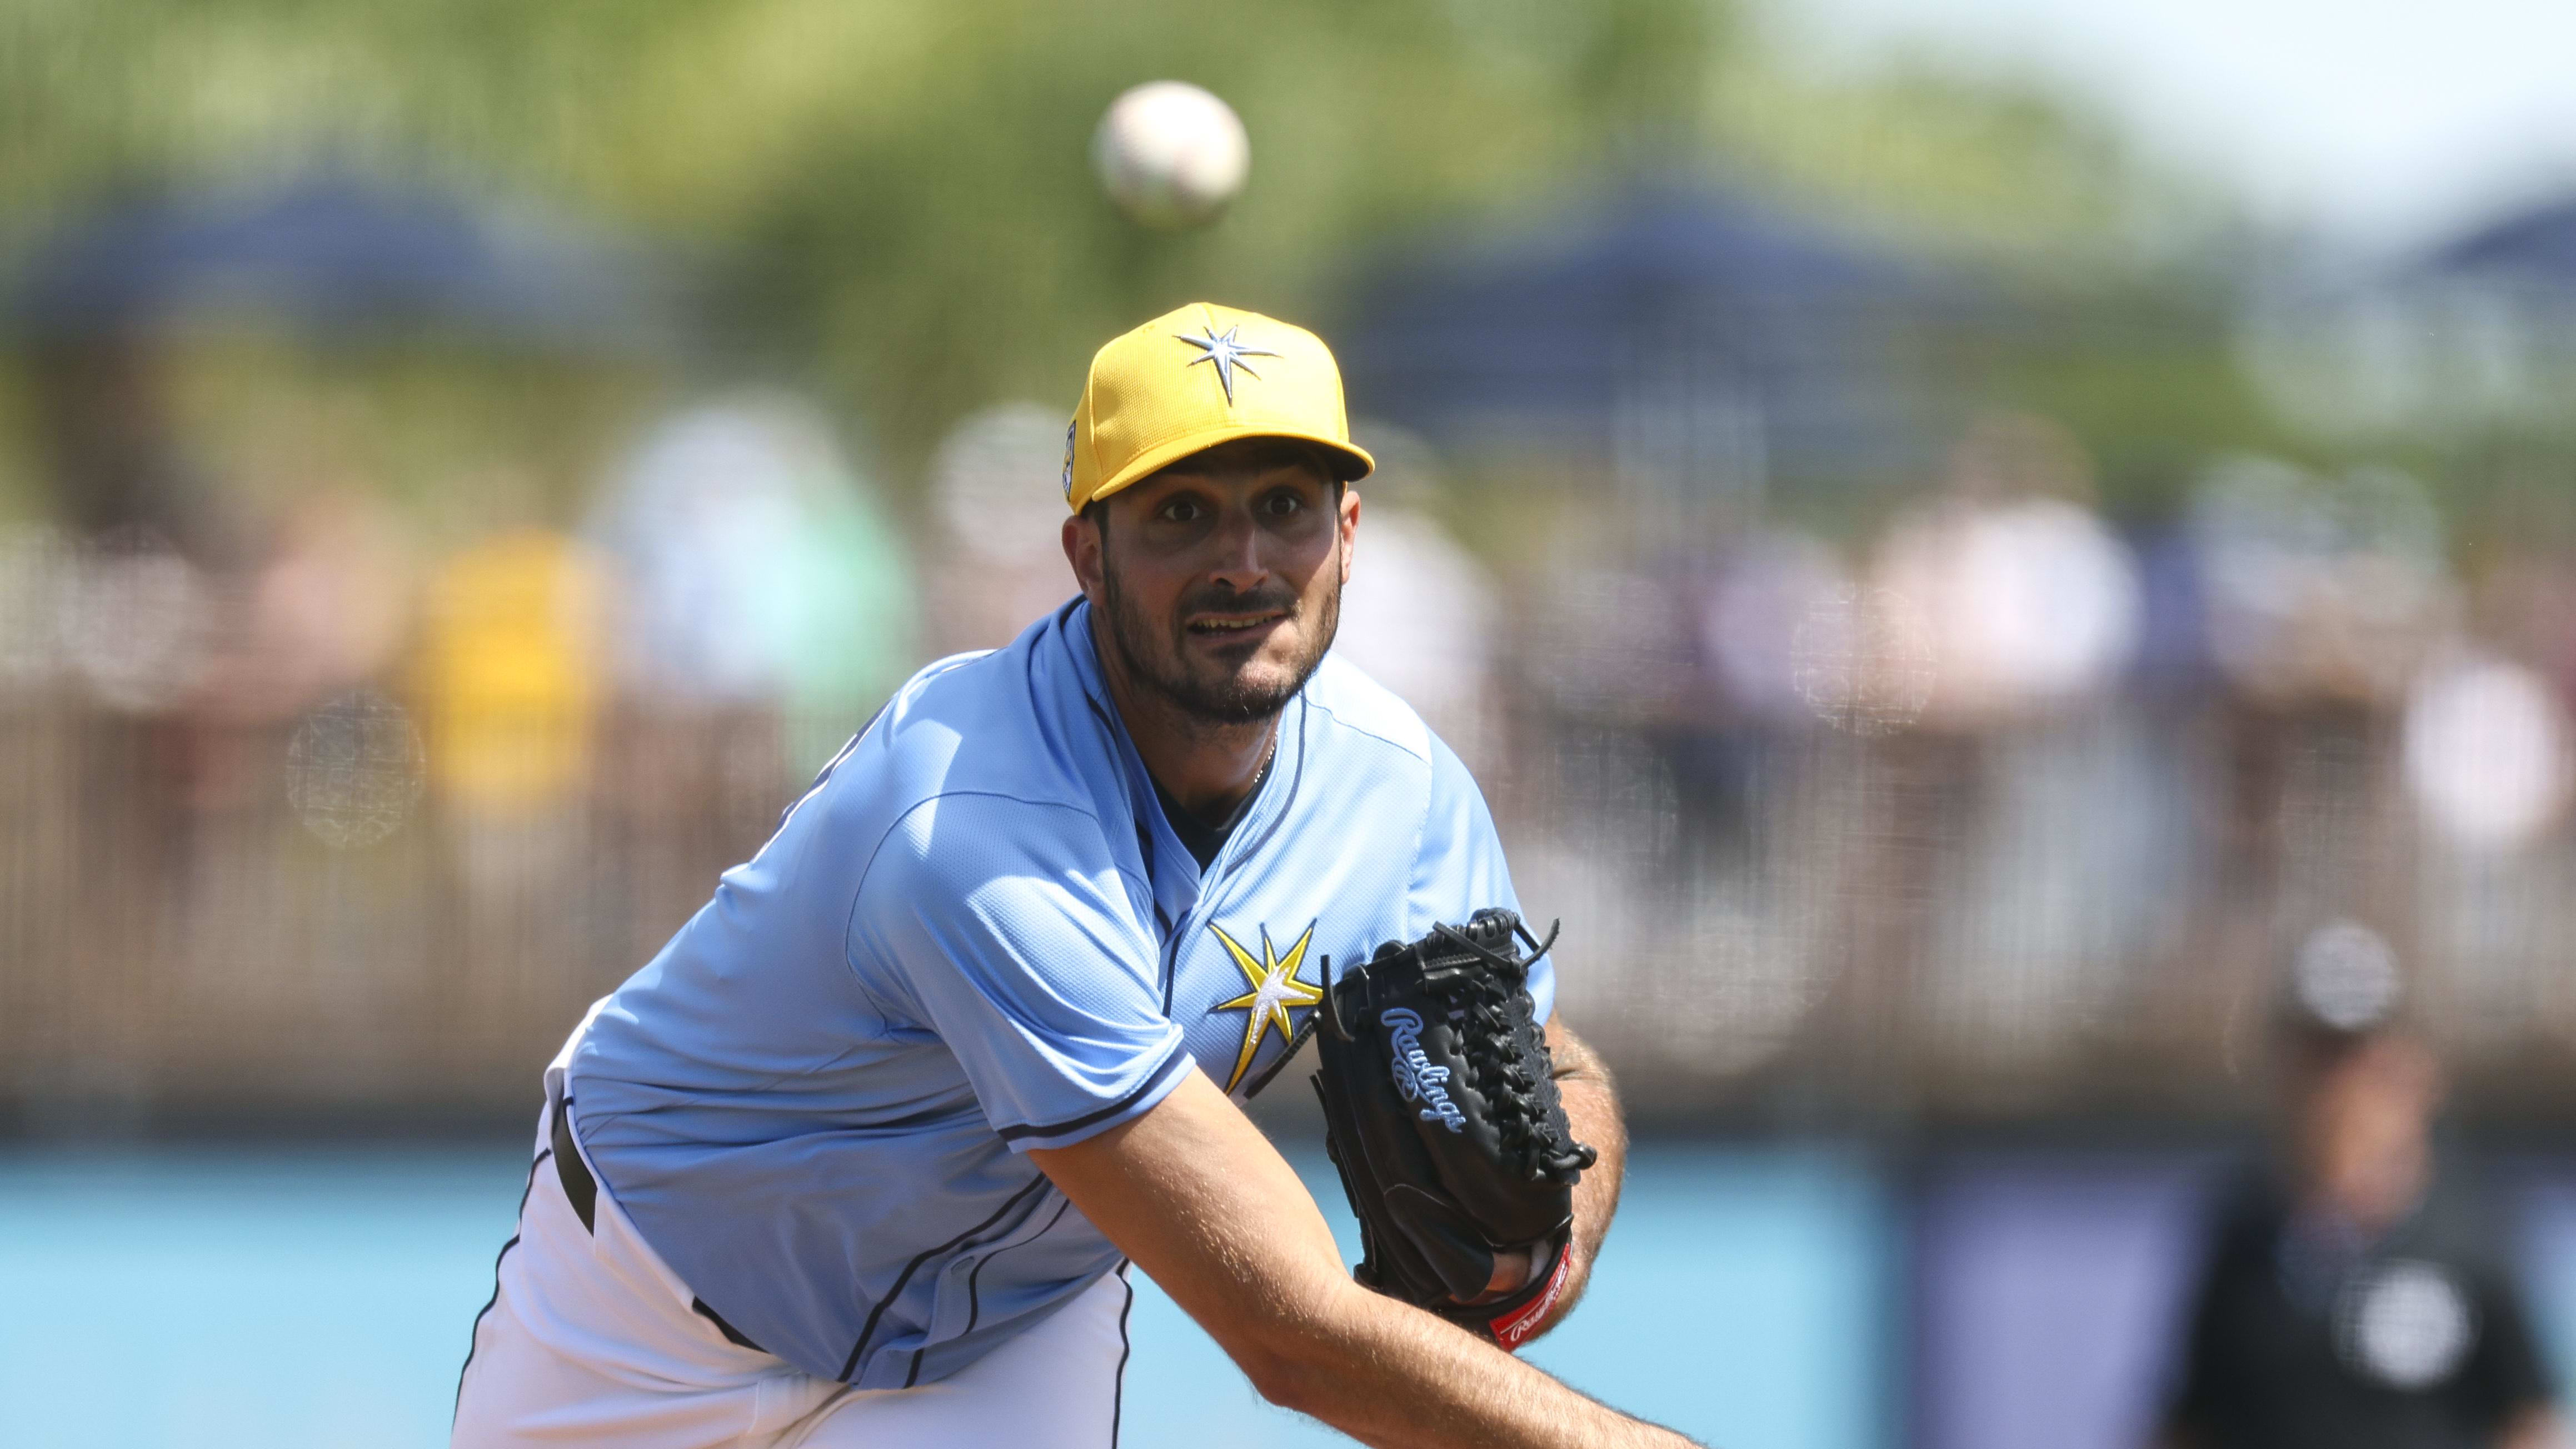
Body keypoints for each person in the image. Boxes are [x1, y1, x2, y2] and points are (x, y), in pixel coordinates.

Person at [453, 302, 1699, 1448]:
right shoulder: (972, 822)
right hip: (646, 1313)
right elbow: (1286, 1333)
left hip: (999, 1337)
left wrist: (1551, 1238)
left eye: (1285, 504)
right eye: (1179, 513)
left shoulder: (1399, 791)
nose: (1243, 561)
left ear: (1349, 532)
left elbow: (1550, 1061)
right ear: (1085, 552)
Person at [2159, 922, 2562, 1449]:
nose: (2338, 1087)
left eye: (2357, 1056)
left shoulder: (2473, 1228)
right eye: (2318, 1058)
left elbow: (2529, 1420)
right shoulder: (2244, 1233)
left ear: (2415, 1068)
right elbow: (2191, 1420)